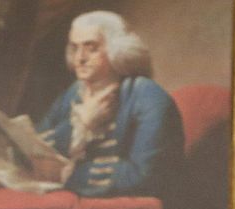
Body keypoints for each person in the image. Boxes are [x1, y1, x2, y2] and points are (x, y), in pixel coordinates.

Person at [35, 10, 183, 197]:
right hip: (80, 205)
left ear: (117, 49)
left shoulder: (148, 97)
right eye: (75, 48)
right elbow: (38, 145)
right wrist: (80, 126)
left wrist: (69, 174)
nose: (80, 58)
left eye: (92, 48)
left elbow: (143, 175)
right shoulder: (73, 93)